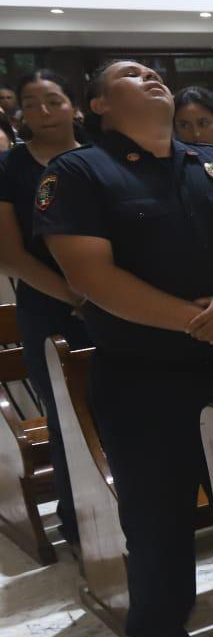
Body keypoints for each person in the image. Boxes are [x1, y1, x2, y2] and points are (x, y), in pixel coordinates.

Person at [36, 60, 213, 637]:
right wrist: (203, 322)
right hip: (147, 381)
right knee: (158, 526)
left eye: (155, 73)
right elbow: (91, 276)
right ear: (99, 104)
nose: (152, 77)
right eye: (132, 74)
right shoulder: (80, 173)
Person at [0, 71, 93, 547]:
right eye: (30, 104)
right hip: (49, 304)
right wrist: (76, 295)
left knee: (121, 408)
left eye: (52, 101)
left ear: (73, 106)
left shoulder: (99, 155)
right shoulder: (9, 166)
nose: (41, 111)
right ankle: (79, 522)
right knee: (65, 415)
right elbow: (10, 254)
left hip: (111, 300)